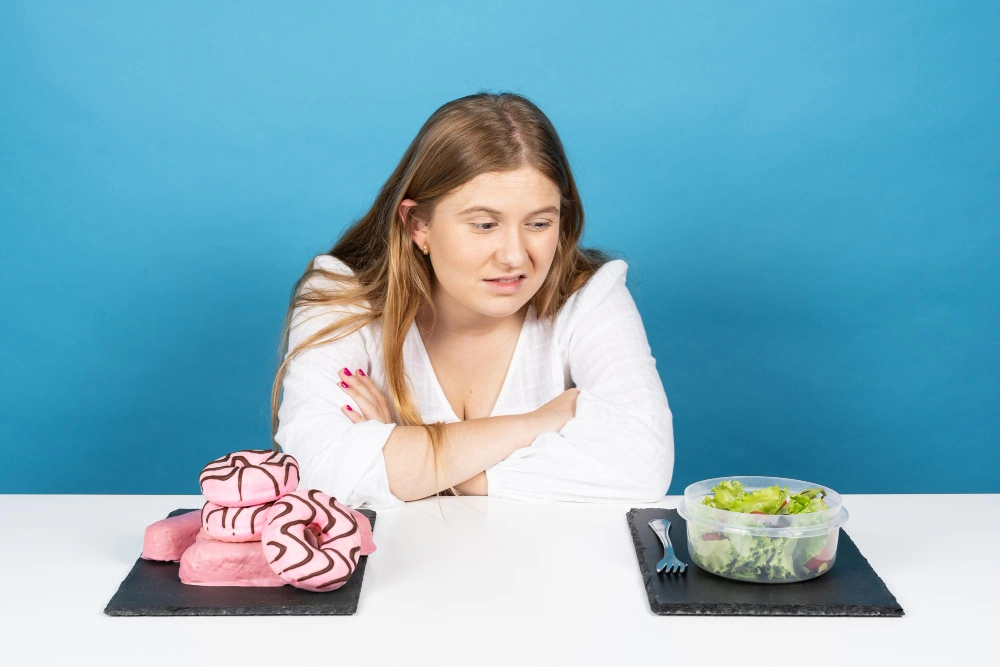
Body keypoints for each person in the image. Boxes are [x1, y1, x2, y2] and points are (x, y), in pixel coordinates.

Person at [270, 91, 674, 509]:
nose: (515, 256)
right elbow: (313, 470)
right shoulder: (339, 295)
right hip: (399, 570)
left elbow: (641, 469)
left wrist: (413, 459)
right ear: (418, 225)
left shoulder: (589, 297)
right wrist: (534, 424)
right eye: (484, 224)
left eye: (539, 223)